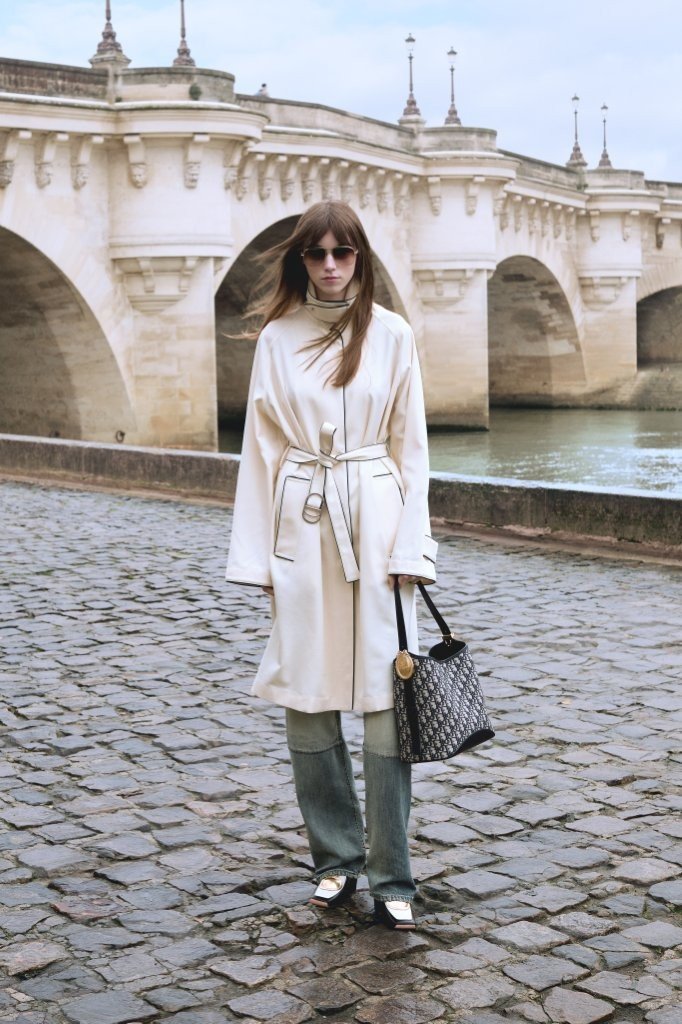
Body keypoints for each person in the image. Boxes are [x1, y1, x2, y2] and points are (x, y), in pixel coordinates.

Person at [225, 201, 437, 930]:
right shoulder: (277, 339)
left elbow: (412, 449)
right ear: (301, 261)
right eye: (316, 254)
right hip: (303, 524)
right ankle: (335, 862)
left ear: (360, 258)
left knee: (386, 705)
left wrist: (411, 548)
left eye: (342, 252)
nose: (330, 266)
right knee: (308, 698)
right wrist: (258, 559)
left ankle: (392, 873)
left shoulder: (393, 335)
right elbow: (261, 452)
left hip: (377, 526)